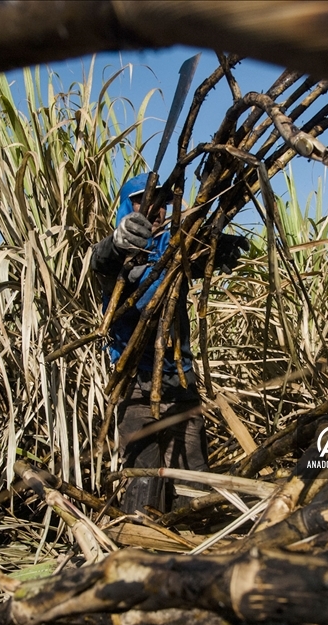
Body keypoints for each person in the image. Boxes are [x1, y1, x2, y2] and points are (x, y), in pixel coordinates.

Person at [90, 173, 248, 515]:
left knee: (195, 489)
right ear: (126, 206)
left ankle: (197, 551)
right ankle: (142, 548)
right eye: (143, 200)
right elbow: (99, 261)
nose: (155, 208)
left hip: (180, 380)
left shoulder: (175, 247)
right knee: (142, 485)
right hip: (135, 384)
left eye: (162, 202)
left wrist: (217, 246)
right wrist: (117, 244)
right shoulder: (118, 251)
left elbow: (200, 250)